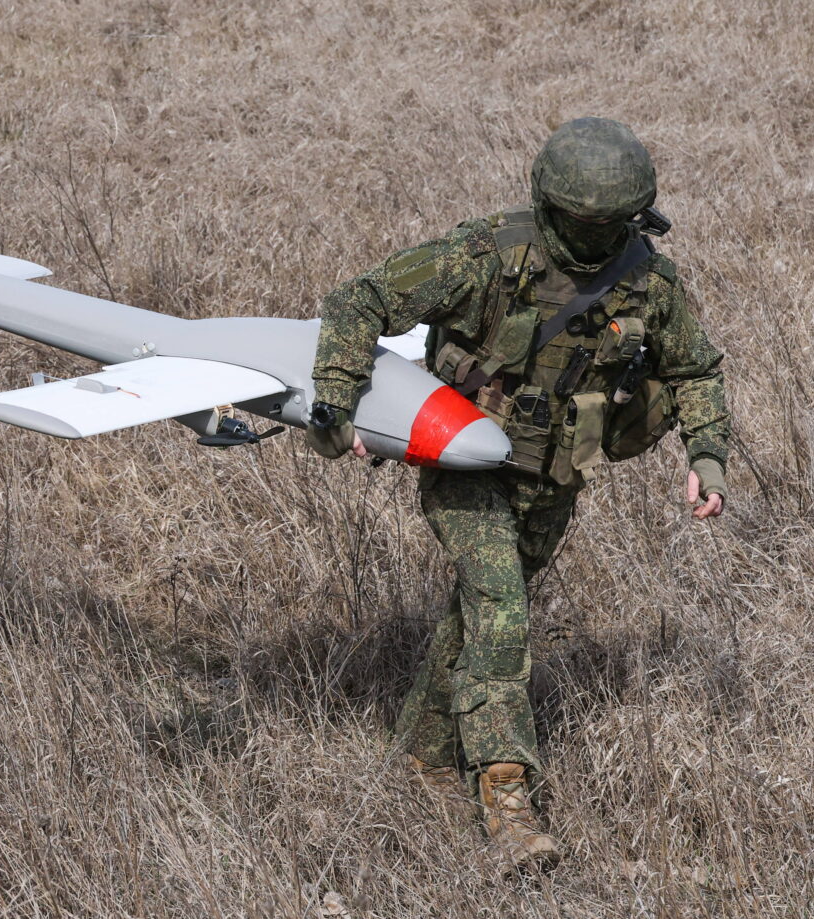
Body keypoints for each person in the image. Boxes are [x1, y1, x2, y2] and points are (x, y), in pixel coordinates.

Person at [305, 117, 729, 868]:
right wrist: (334, 401)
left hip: (561, 475)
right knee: (503, 614)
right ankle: (508, 806)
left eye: (609, 226)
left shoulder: (649, 282)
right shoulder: (484, 256)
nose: (593, 239)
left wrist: (708, 454)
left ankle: (420, 756)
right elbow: (360, 299)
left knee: (476, 619)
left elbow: (694, 370)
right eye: (578, 223)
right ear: (548, 203)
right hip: (466, 466)